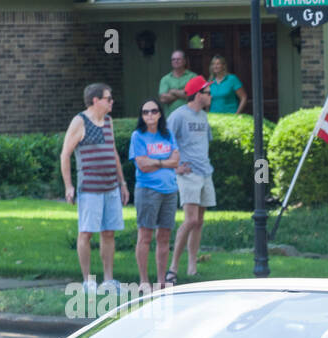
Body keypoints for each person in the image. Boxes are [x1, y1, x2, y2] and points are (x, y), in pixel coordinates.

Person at [60, 83, 130, 294]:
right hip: (90, 188)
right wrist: (68, 186)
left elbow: (114, 152)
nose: (111, 102)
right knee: (87, 233)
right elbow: (65, 154)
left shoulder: (108, 122)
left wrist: (122, 183)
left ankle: (108, 280)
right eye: (108, 99)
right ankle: (88, 281)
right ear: (95, 100)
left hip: (111, 187)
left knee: (108, 233)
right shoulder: (79, 122)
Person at [129, 98, 181, 287]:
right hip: (148, 190)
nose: (149, 115)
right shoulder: (138, 136)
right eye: (145, 112)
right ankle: (144, 281)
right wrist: (164, 162)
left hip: (170, 190)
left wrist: (156, 162)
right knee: (145, 235)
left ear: (159, 114)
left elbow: (176, 160)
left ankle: (160, 281)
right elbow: (142, 165)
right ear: (142, 116)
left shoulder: (168, 135)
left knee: (164, 236)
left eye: (153, 111)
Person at [167, 76, 214, 279]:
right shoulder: (178, 116)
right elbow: (165, 142)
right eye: (207, 92)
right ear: (197, 95)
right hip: (188, 174)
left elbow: (206, 142)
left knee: (199, 221)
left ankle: (192, 267)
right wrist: (174, 167)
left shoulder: (203, 116)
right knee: (190, 220)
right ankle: (173, 268)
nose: (211, 96)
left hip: (205, 173)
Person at [158, 50, 198, 118]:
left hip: (189, 117)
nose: (175, 61)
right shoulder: (165, 79)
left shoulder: (193, 77)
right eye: (173, 59)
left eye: (178, 59)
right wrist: (183, 93)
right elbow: (163, 99)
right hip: (170, 118)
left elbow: (193, 96)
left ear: (184, 61)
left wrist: (173, 91)